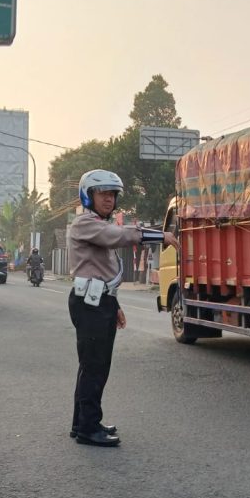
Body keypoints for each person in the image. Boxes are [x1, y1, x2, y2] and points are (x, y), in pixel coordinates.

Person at [67, 169, 179, 447]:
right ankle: (87, 428)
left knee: (93, 366)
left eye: (112, 194)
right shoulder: (85, 224)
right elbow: (118, 235)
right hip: (89, 304)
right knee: (94, 367)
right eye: (103, 193)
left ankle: (82, 422)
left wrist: (114, 304)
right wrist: (160, 236)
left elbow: (103, 271)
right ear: (88, 195)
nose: (109, 199)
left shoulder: (98, 224)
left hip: (100, 300)